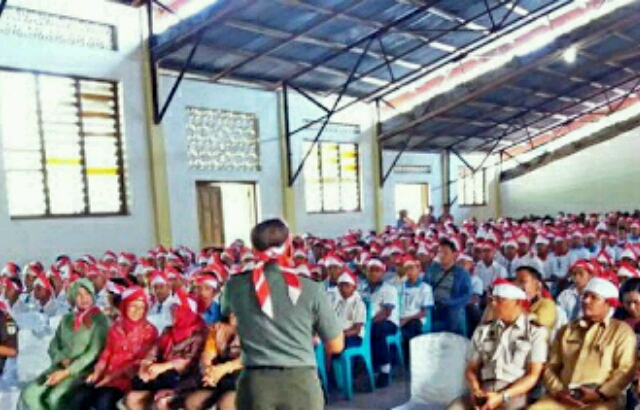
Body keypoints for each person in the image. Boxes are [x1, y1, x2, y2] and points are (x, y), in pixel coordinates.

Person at [221, 218, 344, 410]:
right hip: (300, 385)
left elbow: (228, 321)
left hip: (255, 386)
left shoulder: (234, 287)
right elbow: (336, 345)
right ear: (289, 247)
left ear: (253, 250)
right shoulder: (311, 289)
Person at [529, 277, 636, 410]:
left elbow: (625, 370)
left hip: (602, 400)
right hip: (563, 397)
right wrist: (559, 391)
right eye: (585, 296)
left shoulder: (621, 332)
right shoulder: (567, 329)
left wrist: (600, 394)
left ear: (608, 304)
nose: (586, 301)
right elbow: (551, 366)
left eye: (594, 298)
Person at [446, 279, 548, 410]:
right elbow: (471, 369)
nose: (493, 305)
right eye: (492, 300)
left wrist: (502, 396)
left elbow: (533, 375)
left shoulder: (535, 332)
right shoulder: (483, 330)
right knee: (454, 408)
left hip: (513, 394)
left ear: (517, 302)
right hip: (484, 390)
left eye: (500, 300)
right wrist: (475, 390)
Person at [20, 278, 110, 410]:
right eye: (79, 295)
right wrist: (61, 359)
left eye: (87, 294)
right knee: (30, 394)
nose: (84, 298)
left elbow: (93, 353)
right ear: (73, 297)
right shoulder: (67, 319)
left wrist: (68, 370)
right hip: (59, 366)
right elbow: (53, 345)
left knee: (55, 398)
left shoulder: (99, 320)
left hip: (82, 371)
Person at [72, 286, 158, 410]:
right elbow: (107, 353)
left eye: (141, 307)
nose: (137, 310)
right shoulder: (116, 327)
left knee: (103, 401)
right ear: (125, 306)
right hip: (107, 377)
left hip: (127, 380)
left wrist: (110, 378)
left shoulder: (150, 331)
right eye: (133, 306)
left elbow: (139, 362)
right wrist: (97, 373)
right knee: (79, 395)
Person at [125, 289, 207, 410]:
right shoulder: (168, 330)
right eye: (172, 310)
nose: (173, 313)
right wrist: (146, 364)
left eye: (177, 310)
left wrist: (165, 366)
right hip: (163, 376)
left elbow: (189, 361)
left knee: (163, 402)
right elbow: (155, 349)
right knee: (132, 397)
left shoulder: (200, 333)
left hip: (185, 381)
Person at [182, 314, 242, 410]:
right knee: (192, 402)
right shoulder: (218, 329)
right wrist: (208, 371)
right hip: (221, 379)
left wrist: (222, 369)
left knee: (226, 404)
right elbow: (207, 356)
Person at [362, 258, 399, 388]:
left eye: (377, 271)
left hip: (387, 322)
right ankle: (365, 365)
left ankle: (385, 369)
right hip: (366, 321)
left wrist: (368, 323)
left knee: (377, 329)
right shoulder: (362, 288)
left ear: (382, 273)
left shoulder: (389, 289)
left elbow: (386, 312)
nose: (373, 274)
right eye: (370, 270)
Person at [424, 237, 471, 335]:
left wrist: (452, 303)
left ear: (454, 255)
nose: (442, 256)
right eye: (440, 253)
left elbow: (467, 295)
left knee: (452, 314)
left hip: (452, 306)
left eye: (445, 253)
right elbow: (425, 287)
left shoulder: (462, 273)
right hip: (433, 305)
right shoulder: (432, 270)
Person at [399, 257, 433, 343]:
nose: (409, 272)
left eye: (412, 268)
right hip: (401, 318)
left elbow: (424, 312)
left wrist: (406, 319)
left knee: (411, 328)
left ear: (418, 269)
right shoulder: (400, 287)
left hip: (416, 319)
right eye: (407, 269)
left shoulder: (425, 288)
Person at [331, 271, 366, 350]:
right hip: (336, 334)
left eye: (347, 286)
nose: (343, 289)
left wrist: (341, 335)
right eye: (341, 286)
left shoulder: (358, 304)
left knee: (331, 345)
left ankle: (328, 362)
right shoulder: (336, 302)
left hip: (352, 337)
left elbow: (356, 329)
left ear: (354, 288)